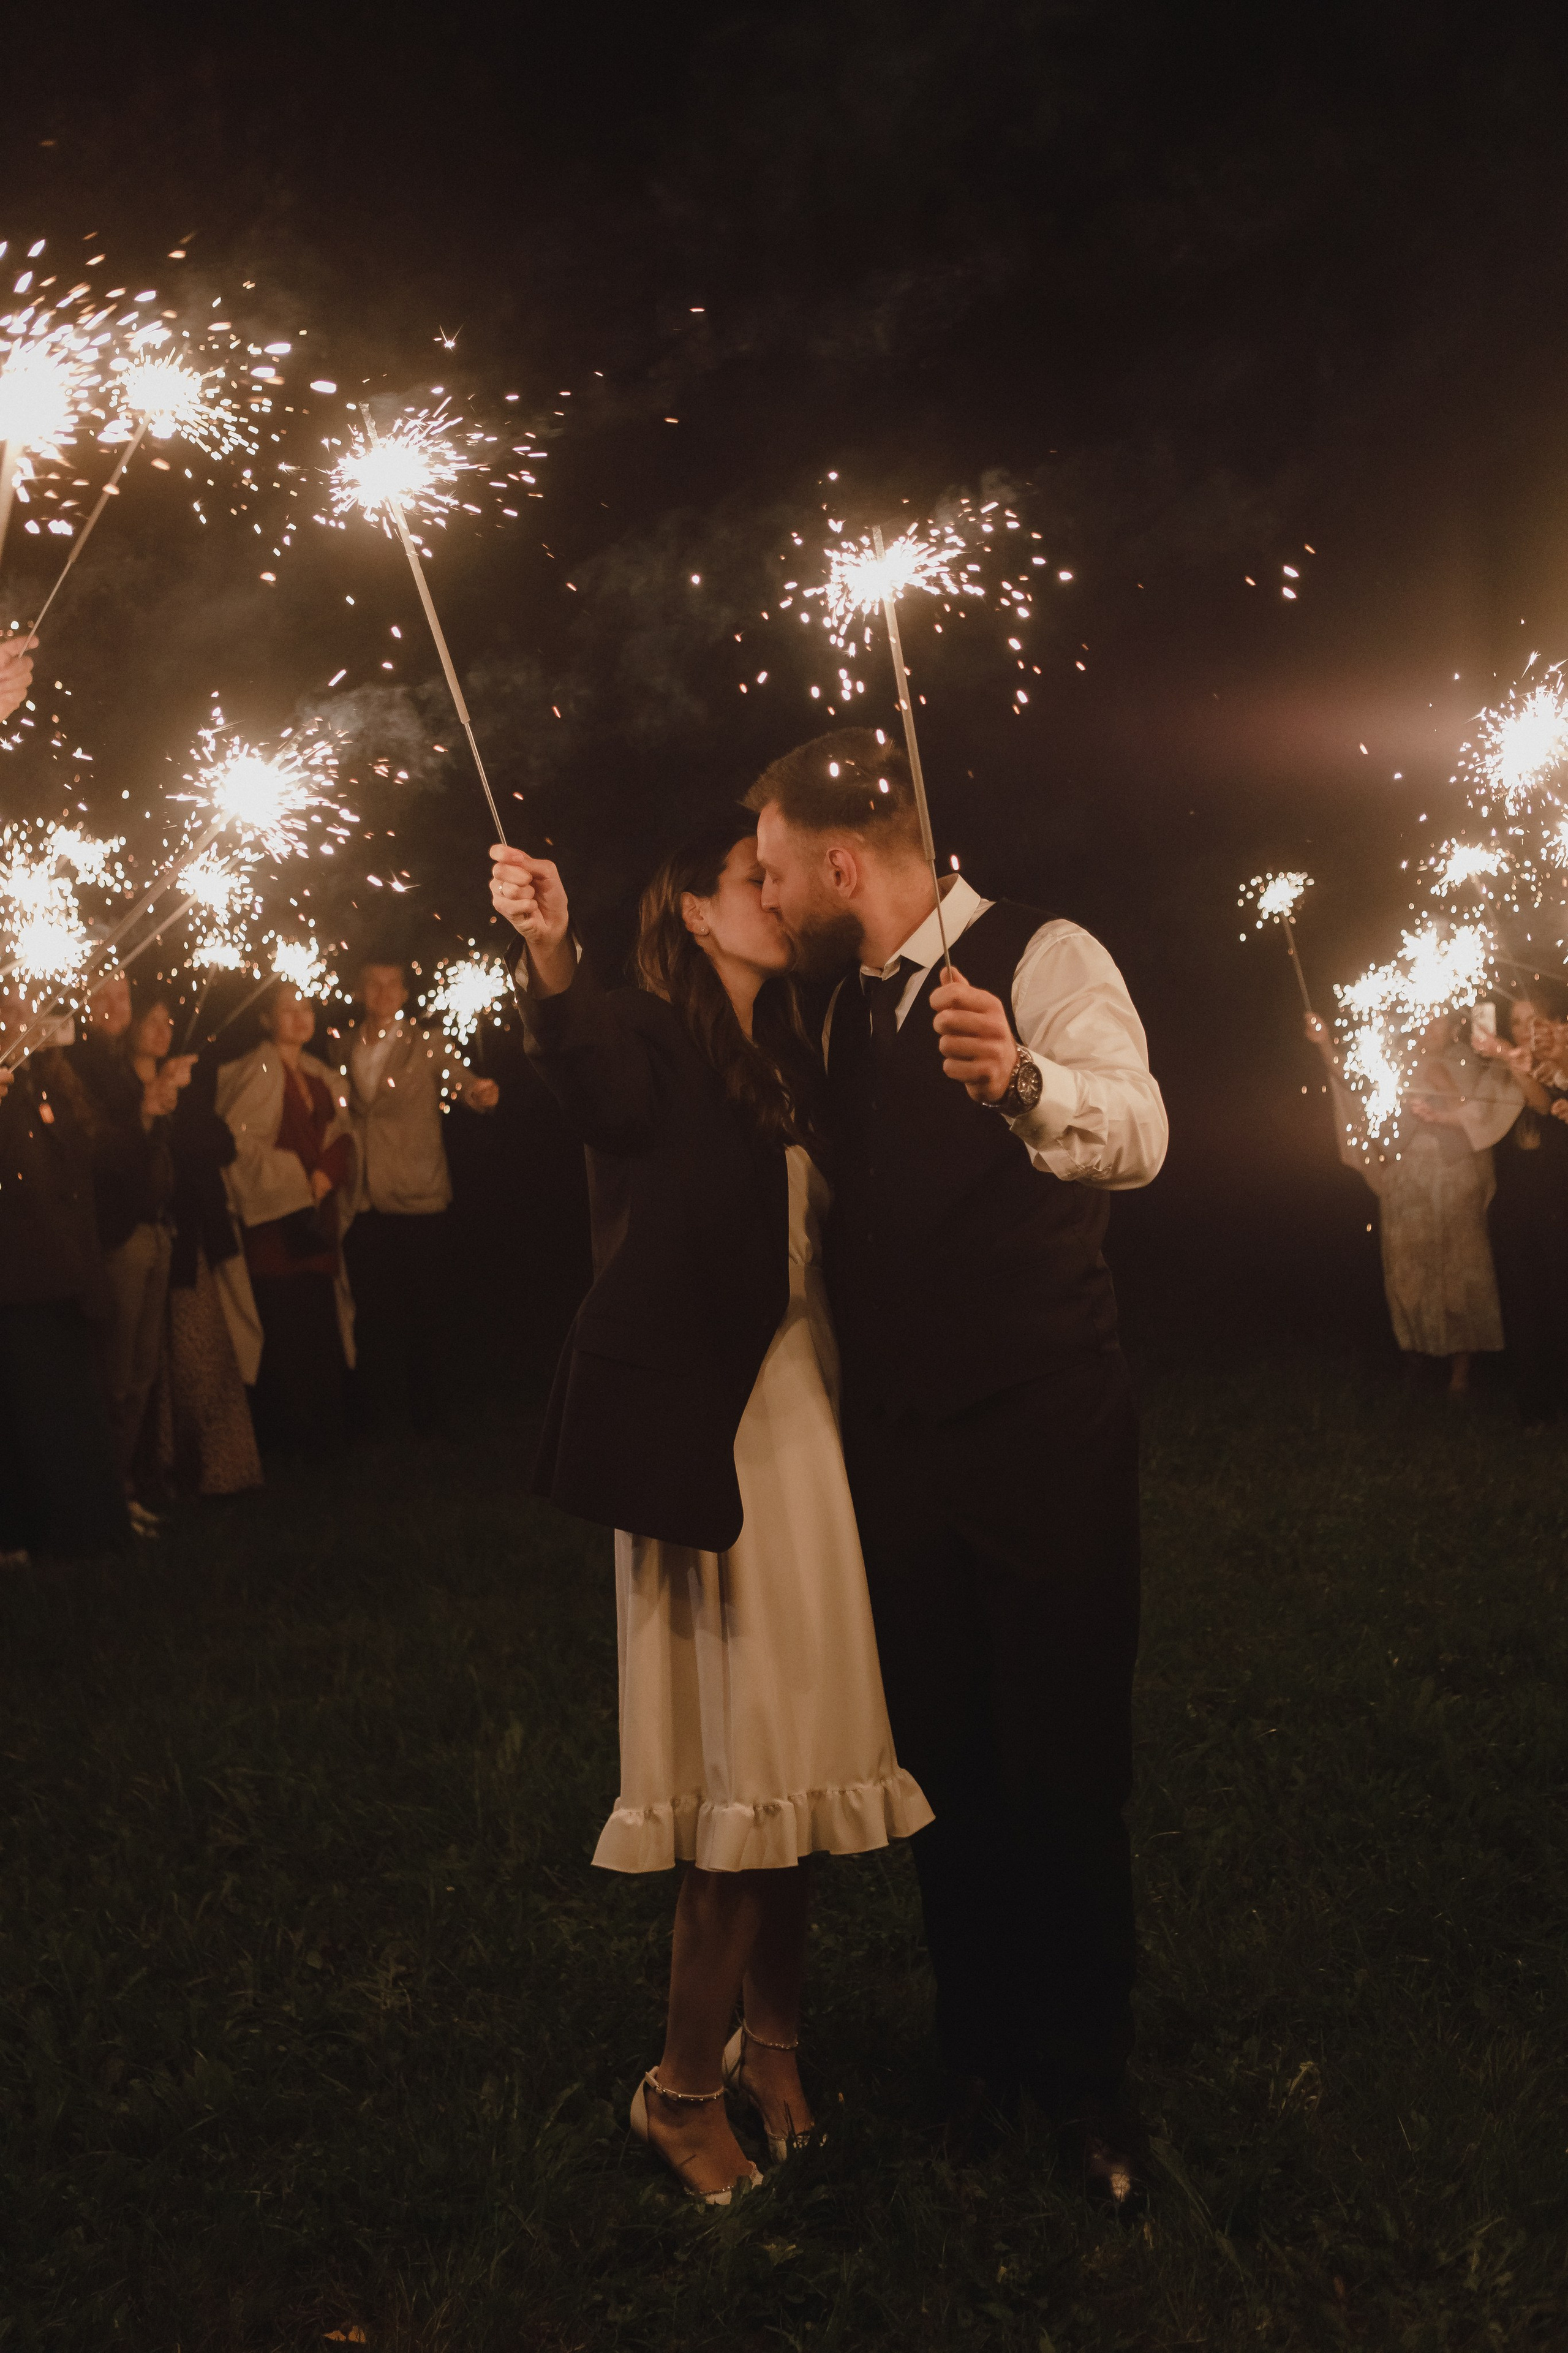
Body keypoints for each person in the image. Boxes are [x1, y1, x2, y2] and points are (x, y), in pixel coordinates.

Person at [745, 728, 1167, 2207]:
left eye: (776, 861)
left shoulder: (1042, 950)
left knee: (1060, 1764)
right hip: (902, 1453)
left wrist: (1024, 1078)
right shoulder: (838, 1009)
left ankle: (1085, 2086)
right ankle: (976, 2060)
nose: (766, 883)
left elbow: (1141, 1127)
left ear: (841, 859)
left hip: (1042, 1430)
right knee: (945, 1768)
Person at [488, 823, 931, 2207]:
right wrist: (548, 951)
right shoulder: (639, 1031)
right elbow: (597, 1091)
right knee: (744, 1766)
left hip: (804, 1417)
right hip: (708, 1432)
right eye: (752, 878)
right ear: (691, 910)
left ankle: (773, 2041)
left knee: (798, 1747)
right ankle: (678, 2091)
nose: (777, 893)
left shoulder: (787, 1049)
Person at [1305, 1009, 1509, 1394]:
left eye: (1438, 1023)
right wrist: (1325, 1044)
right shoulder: (1397, 1062)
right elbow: (1354, 1085)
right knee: (1409, 1267)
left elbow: (1484, 1112)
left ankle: (1460, 1374)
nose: (1429, 1028)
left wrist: (1444, 1082)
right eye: (1425, 1021)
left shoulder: (1469, 1061)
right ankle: (1416, 1359)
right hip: (1407, 1181)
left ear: (1453, 1030)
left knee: (1459, 1270)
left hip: (1455, 1178)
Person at [342, 957, 499, 1436]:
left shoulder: (425, 1043)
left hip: (419, 1197)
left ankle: (431, 1419)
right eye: (374, 983)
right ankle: (379, 1416)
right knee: (375, 1312)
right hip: (364, 1199)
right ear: (362, 990)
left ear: (405, 993)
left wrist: (479, 1091)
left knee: (425, 1313)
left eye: (392, 984)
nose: (383, 992)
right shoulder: (343, 1046)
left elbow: (460, 1079)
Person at [0, 994, 130, 1561]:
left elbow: (84, 1166)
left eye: (21, 1005)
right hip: (16, 1284)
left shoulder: (46, 1080)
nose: (17, 1017)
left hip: (60, 1278)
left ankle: (86, 1530)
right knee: (26, 1415)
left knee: (67, 1412)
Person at [68, 972, 189, 1531]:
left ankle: (118, 1489)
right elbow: (100, 1154)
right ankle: (101, 1498)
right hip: (120, 1235)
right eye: (103, 997)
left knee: (141, 1373)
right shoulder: (79, 1066)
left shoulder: (119, 1063)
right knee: (115, 1374)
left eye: (123, 995)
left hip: (154, 1229)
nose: (117, 1006)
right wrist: (145, 1112)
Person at [216, 983, 358, 1455]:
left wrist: (327, 1172)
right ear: (265, 1019)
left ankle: (327, 1439)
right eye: (287, 1009)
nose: (300, 1018)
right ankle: (290, 1444)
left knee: (320, 1327)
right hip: (276, 1227)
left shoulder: (322, 1075)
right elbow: (237, 1145)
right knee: (286, 1330)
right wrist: (299, 1177)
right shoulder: (254, 1072)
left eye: (306, 1008)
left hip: (318, 1223)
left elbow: (343, 1135)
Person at [151, 1039, 264, 1498]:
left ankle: (217, 1469)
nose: (162, 1028)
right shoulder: (129, 1090)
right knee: (160, 1365)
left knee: (206, 1357)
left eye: (166, 1021)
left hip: (196, 1241)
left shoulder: (188, 1091)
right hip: (162, 1236)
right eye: (151, 1020)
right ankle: (167, 1468)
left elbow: (221, 1141)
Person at [1474, 980, 1568, 1425]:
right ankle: (1533, 1405)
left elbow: (1543, 1101)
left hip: (1559, 1206)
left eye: (1534, 1021)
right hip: (1513, 1210)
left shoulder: (1558, 1069)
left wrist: (1520, 1068)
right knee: (1522, 1306)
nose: (1525, 1029)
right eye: (1516, 1021)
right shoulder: (1495, 1072)